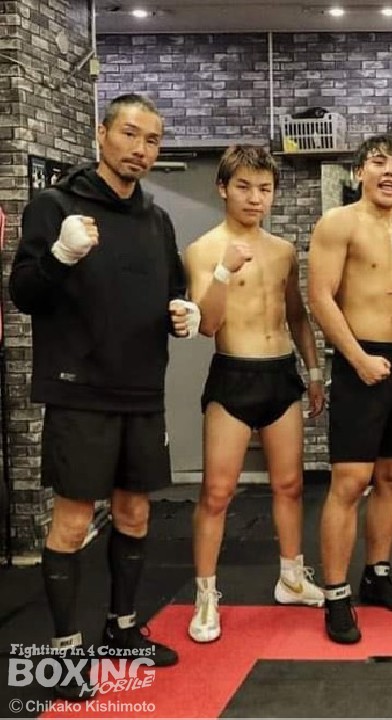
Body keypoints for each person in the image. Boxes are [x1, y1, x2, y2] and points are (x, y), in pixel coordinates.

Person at [10, 94, 190, 696]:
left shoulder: (157, 220)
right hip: (79, 389)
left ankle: (122, 630)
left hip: (141, 389)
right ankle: (64, 654)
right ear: (101, 133)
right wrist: (60, 255)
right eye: (130, 134)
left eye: (152, 140)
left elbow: (174, 289)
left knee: (136, 513)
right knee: (73, 520)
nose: (140, 149)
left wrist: (183, 312)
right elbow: (24, 293)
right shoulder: (54, 205)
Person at [183, 145, 326, 643]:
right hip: (234, 374)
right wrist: (224, 271)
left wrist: (313, 371)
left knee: (290, 485)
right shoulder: (203, 249)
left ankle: (291, 577)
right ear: (223, 188)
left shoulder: (283, 250)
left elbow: (297, 315)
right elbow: (207, 326)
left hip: (281, 374)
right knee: (217, 493)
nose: (254, 197)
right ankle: (205, 596)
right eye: (244, 187)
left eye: (264, 189)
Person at [308, 135, 392, 644]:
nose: (390, 172)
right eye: (379, 162)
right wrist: (357, 358)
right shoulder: (338, 223)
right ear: (359, 173)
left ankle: (378, 574)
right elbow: (320, 297)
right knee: (350, 480)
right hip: (360, 357)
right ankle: (336, 593)